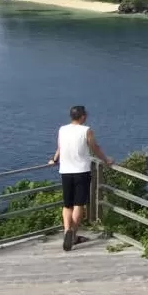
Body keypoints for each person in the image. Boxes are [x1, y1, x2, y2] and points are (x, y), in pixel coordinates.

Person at [49, 105, 114, 252]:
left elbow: (60, 147)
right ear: (83, 117)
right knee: (79, 205)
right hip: (81, 171)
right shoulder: (86, 130)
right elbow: (95, 148)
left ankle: (66, 230)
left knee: (67, 205)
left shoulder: (62, 129)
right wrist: (106, 160)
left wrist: (54, 159)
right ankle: (73, 235)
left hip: (65, 171)